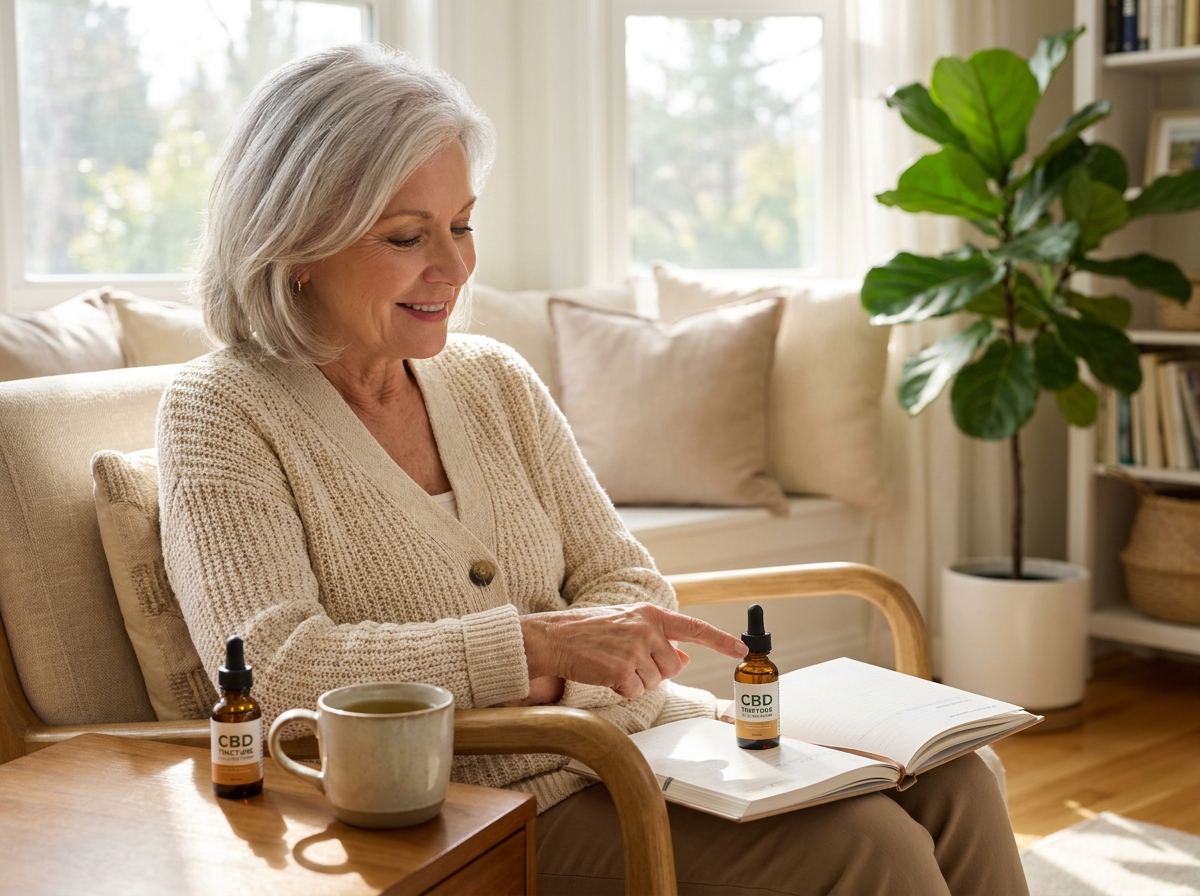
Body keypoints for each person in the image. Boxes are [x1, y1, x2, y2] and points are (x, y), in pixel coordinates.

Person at [159, 44, 1029, 896]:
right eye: (406, 236)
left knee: (959, 780)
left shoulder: (491, 376)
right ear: (295, 244)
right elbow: (276, 668)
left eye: (462, 224)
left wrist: (569, 665)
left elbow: (622, 577)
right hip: (467, 802)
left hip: (638, 745)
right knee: (865, 848)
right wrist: (540, 650)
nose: (456, 266)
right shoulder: (220, 411)